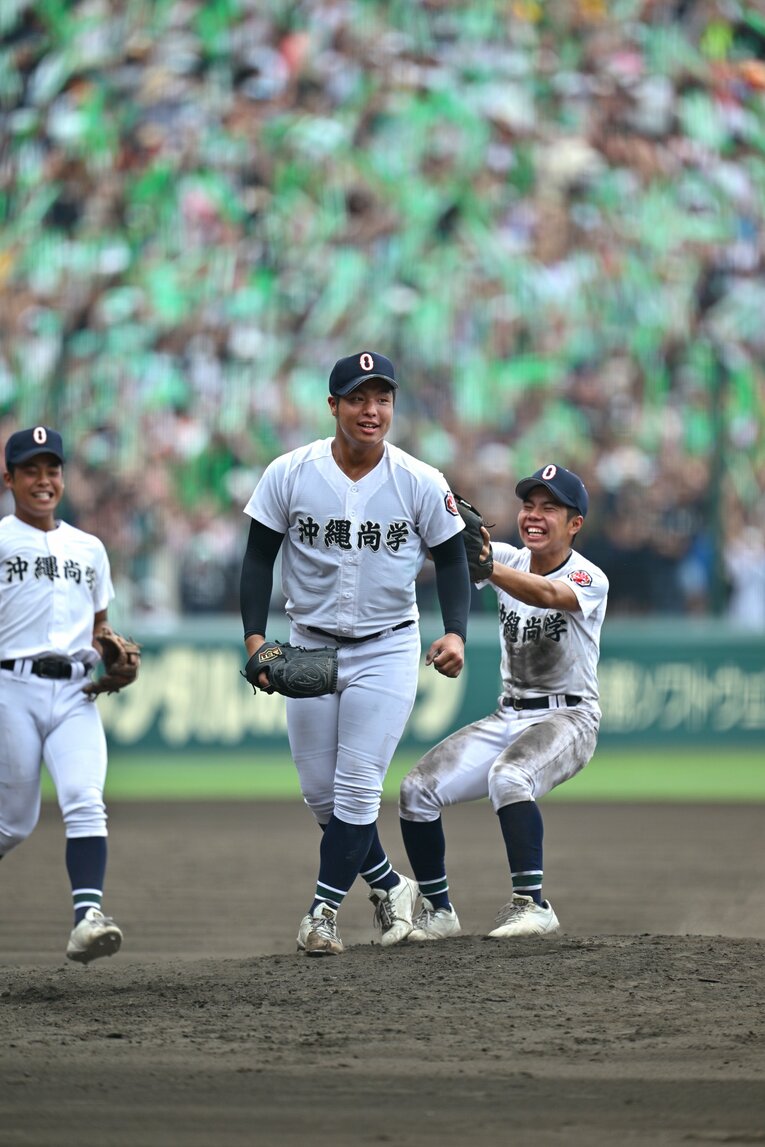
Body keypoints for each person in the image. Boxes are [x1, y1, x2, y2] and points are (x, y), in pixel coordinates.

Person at [240, 351, 471, 956]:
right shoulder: (291, 472)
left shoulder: (419, 479)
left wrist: (455, 632)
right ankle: (392, 887)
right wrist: (256, 641)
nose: (372, 410)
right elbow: (258, 556)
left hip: (386, 647)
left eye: (383, 399)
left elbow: (452, 555)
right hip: (309, 643)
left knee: (357, 790)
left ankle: (321, 914)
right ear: (333, 405)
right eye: (358, 398)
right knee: (321, 794)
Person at [398, 463, 608, 941]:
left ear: (575, 523)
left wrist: (487, 567)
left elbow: (549, 593)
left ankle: (533, 904)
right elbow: (448, 551)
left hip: (569, 717)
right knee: (416, 791)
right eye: (528, 505)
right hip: (509, 713)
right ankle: (439, 910)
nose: (534, 515)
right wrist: (434, 521)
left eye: (549, 508)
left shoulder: (588, 576)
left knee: (510, 776)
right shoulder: (509, 559)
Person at [0, 426, 123, 963]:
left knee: (85, 799)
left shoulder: (88, 548)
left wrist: (111, 652)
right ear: (9, 478)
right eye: (31, 470)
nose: (43, 480)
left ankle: (86, 919)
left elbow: (100, 627)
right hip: (11, 688)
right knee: (14, 821)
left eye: (52, 470)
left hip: (75, 691)